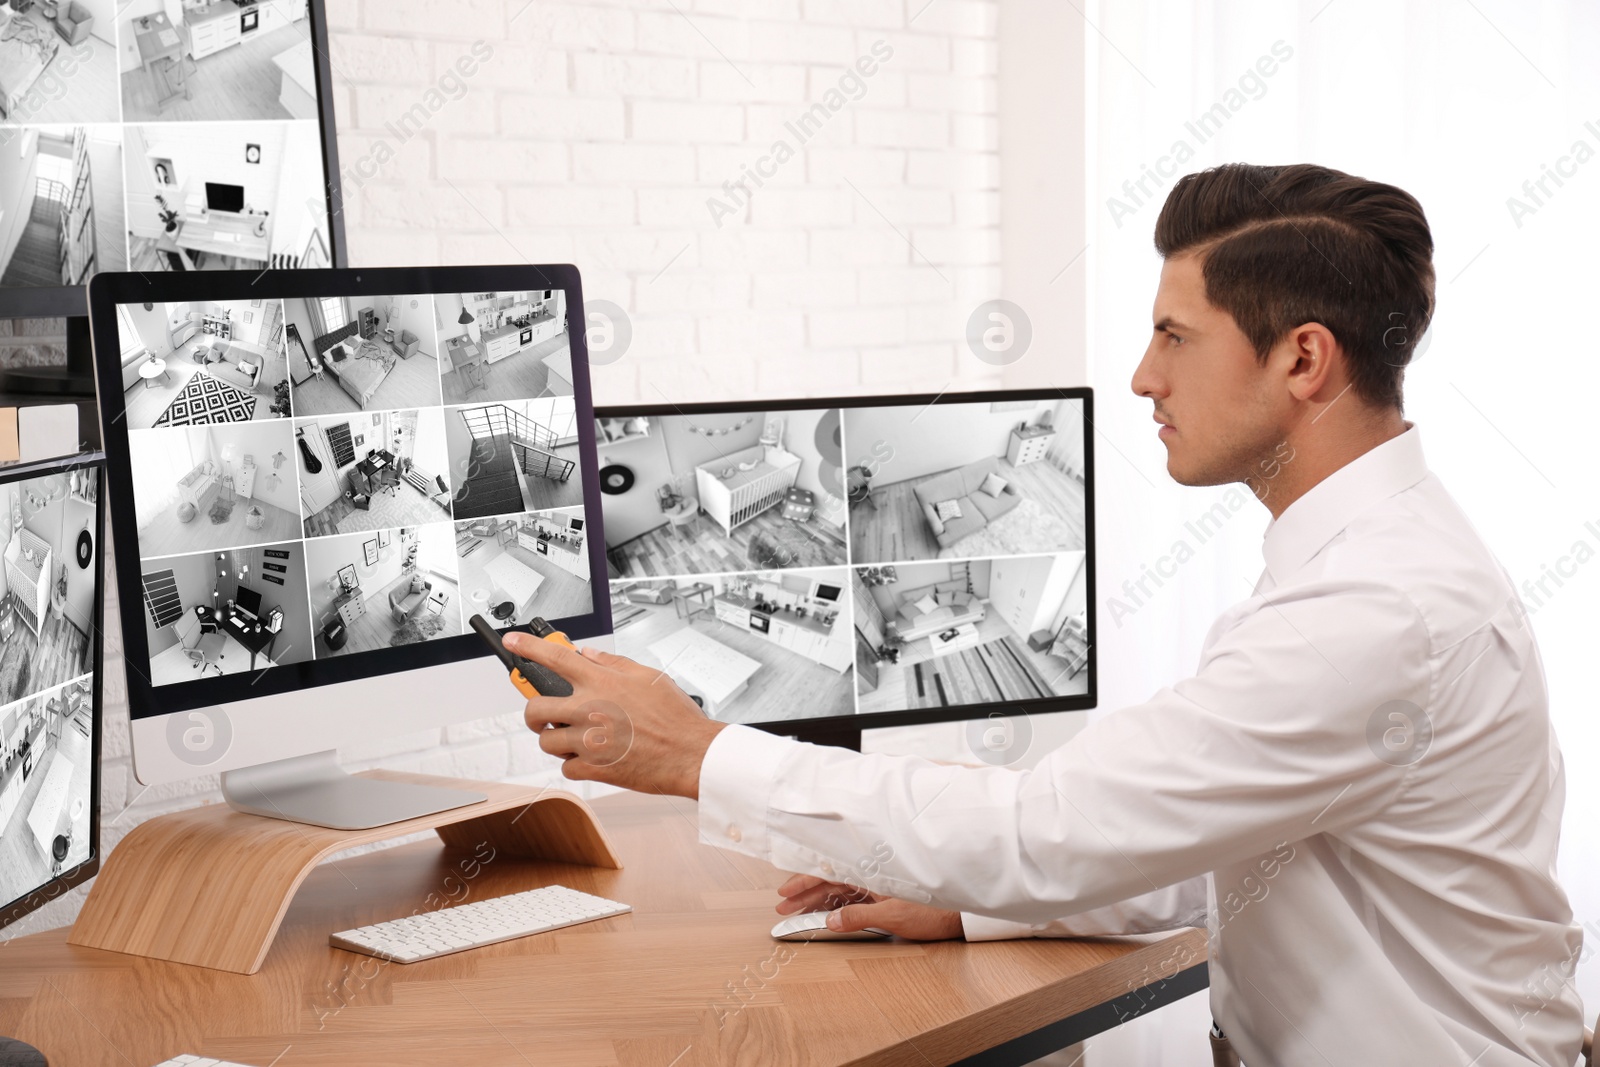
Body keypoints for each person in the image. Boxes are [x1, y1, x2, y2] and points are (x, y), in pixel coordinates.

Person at [508, 164, 1584, 1067]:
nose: (1140, 376)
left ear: (1302, 357)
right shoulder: (1367, 559)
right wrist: (974, 903)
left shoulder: (1375, 610)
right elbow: (1225, 838)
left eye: (1174, 337)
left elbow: (1049, 828)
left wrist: (696, 750)